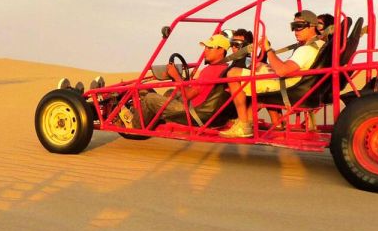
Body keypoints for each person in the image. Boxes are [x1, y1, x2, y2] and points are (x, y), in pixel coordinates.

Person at [221, 10, 324, 138]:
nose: (295, 31)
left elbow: (282, 71)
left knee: (233, 73)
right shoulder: (320, 45)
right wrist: (269, 66)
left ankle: (243, 124)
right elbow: (290, 67)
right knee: (261, 68)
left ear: (312, 26)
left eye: (299, 26)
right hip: (299, 83)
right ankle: (261, 121)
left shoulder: (306, 50)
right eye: (293, 27)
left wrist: (268, 50)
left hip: (288, 88)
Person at [137, 34, 230, 126]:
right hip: (206, 111)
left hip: (194, 113)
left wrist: (176, 76)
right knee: (170, 92)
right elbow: (197, 91)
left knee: (150, 98)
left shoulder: (210, 71)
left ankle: (135, 125)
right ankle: (155, 119)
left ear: (221, 50)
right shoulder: (225, 69)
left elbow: (188, 95)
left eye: (210, 48)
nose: (205, 51)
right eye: (205, 47)